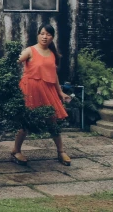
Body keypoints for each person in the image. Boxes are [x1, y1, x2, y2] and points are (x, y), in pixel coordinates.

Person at [11, 23, 72, 166]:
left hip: (47, 90)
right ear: (38, 35)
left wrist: (60, 92)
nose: (45, 37)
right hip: (30, 89)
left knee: (52, 121)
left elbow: (54, 75)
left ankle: (61, 152)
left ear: (52, 37)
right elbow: (14, 62)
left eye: (48, 34)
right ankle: (16, 150)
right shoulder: (30, 50)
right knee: (26, 121)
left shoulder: (52, 54)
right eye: (42, 33)